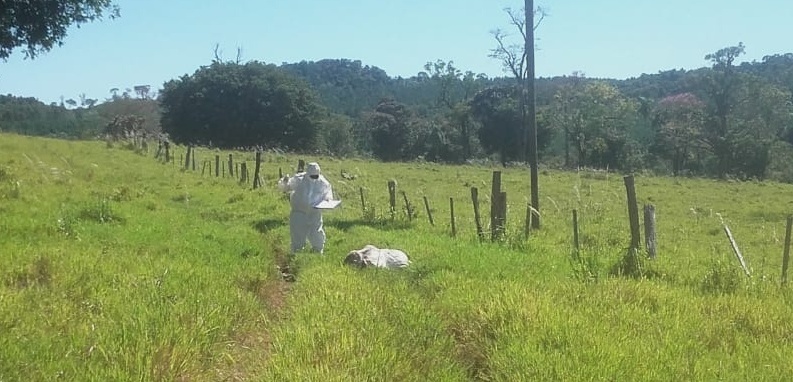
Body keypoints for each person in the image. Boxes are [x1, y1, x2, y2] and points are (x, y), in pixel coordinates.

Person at [277, 162, 334, 254]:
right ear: (308, 173)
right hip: (299, 212)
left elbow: (328, 194)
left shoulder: (323, 183)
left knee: (316, 231)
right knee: (298, 232)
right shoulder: (299, 179)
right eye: (312, 176)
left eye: (316, 176)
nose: (314, 178)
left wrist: (328, 199)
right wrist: (285, 182)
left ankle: (317, 251)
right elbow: (286, 187)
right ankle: (297, 252)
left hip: (315, 212)